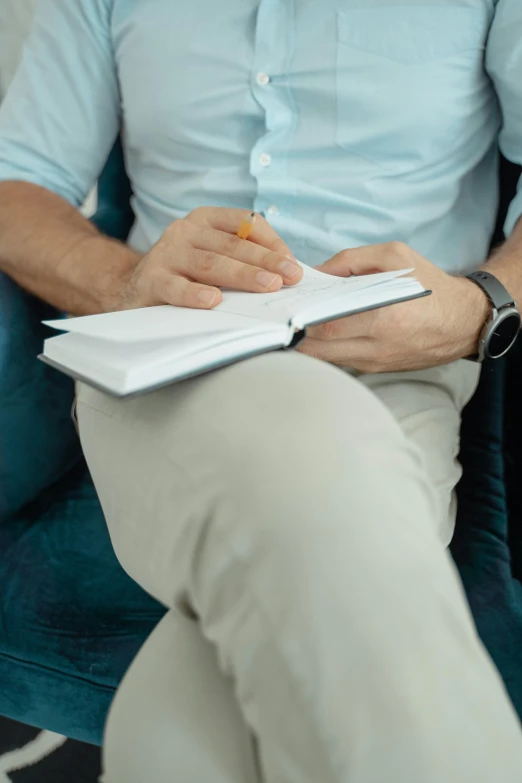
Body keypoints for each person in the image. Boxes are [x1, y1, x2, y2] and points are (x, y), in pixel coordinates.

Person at [0, 0, 522, 780]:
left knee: (188, 747)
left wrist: (479, 304)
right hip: (163, 370)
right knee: (325, 480)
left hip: (400, 374)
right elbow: (17, 184)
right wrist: (126, 281)